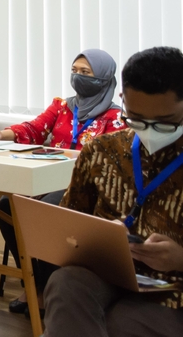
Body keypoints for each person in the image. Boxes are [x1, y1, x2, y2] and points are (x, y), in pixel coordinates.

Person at [43, 46, 183, 337]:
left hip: (173, 287)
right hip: (107, 273)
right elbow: (70, 227)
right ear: (122, 101)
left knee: (124, 323)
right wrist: (100, 239)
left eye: (166, 123)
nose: (149, 131)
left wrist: (180, 258)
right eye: (136, 119)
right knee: (66, 284)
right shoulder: (102, 150)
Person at [0, 49, 126, 315]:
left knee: (47, 211)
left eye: (85, 73)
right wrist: (1, 134)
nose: (77, 77)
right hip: (48, 180)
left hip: (88, 192)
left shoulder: (115, 118)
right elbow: (34, 128)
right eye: (74, 71)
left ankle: (52, 291)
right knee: (8, 205)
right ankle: (35, 284)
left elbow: (113, 165)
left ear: (104, 78)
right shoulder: (63, 106)